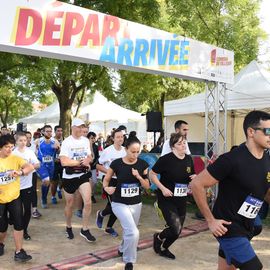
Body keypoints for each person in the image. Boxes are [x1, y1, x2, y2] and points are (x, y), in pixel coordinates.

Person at [190, 110, 270, 270]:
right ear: (251, 132)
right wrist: (210, 220)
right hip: (228, 226)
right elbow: (196, 184)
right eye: (268, 131)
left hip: (248, 223)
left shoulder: (267, 159)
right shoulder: (231, 159)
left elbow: (266, 191)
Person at [103, 136, 149, 270]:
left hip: (136, 203)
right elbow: (106, 180)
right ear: (126, 149)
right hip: (119, 202)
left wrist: (138, 176)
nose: (135, 155)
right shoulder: (116, 163)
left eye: (137, 152)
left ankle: (122, 248)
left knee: (129, 231)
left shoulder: (142, 164)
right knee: (134, 232)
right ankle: (129, 260)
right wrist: (106, 188)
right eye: (132, 151)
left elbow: (147, 186)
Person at [150, 133, 195, 259]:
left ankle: (163, 247)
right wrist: (163, 188)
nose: (183, 146)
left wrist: (194, 179)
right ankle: (159, 238)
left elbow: (192, 176)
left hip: (181, 199)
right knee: (175, 228)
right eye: (179, 144)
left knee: (178, 231)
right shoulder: (166, 159)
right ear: (172, 147)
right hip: (166, 199)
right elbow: (152, 174)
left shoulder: (188, 159)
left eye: (184, 143)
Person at [59, 118, 95, 242]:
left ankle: (84, 229)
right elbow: (64, 161)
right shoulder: (67, 142)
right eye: (78, 127)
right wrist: (79, 162)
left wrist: (88, 160)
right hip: (69, 177)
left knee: (88, 202)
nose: (81, 129)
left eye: (82, 127)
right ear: (73, 127)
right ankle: (68, 226)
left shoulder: (85, 141)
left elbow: (90, 155)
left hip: (83, 175)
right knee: (70, 204)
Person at [0, 134, 34, 262]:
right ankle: (1, 243)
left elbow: (30, 167)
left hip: (14, 197)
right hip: (0, 200)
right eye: (6, 147)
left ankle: (19, 251)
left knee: (19, 224)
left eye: (11, 146)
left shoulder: (16, 158)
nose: (9, 149)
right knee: (2, 227)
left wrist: (20, 172)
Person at [96, 128, 126, 237]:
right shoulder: (107, 151)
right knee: (116, 205)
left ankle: (108, 227)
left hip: (121, 181)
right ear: (113, 138)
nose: (120, 139)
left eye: (122, 137)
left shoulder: (125, 150)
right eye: (117, 137)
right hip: (109, 181)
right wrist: (110, 172)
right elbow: (98, 165)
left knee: (115, 205)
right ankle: (101, 214)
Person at [13, 132, 40, 240]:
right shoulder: (13, 153)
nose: (23, 142)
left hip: (27, 186)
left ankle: (24, 230)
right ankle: (18, 228)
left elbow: (37, 164)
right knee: (17, 211)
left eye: (25, 140)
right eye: (21, 140)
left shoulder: (30, 152)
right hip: (14, 187)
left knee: (27, 210)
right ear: (16, 141)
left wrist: (29, 168)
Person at [36, 125, 60, 208]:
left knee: (48, 182)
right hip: (41, 164)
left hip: (51, 164)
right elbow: (33, 151)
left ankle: (44, 196)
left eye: (50, 131)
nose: (49, 133)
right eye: (47, 131)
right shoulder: (38, 141)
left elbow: (59, 151)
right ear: (43, 132)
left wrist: (57, 148)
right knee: (46, 180)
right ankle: (43, 198)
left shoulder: (55, 141)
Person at [25, 131, 42, 218]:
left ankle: (34, 210)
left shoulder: (34, 146)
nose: (28, 139)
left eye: (29, 138)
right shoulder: (16, 149)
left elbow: (37, 160)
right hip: (22, 175)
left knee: (33, 191)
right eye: (26, 138)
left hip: (32, 172)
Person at [51, 125, 64, 202]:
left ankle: (59, 189)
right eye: (58, 131)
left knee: (64, 180)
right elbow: (48, 152)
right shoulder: (51, 140)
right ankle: (53, 196)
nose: (60, 132)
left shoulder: (65, 140)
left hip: (63, 163)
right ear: (55, 132)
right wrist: (53, 159)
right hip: (54, 164)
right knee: (54, 182)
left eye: (61, 131)